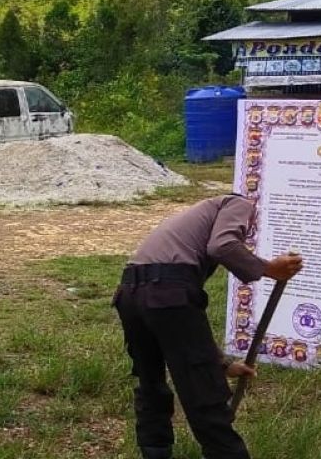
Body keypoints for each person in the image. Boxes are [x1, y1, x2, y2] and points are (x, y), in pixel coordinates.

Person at [114, 194, 303, 459]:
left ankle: (155, 450)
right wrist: (269, 268)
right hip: (167, 293)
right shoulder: (239, 203)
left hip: (130, 293)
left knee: (150, 382)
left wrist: (223, 365)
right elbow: (222, 247)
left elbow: (184, 332)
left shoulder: (199, 213)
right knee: (203, 391)